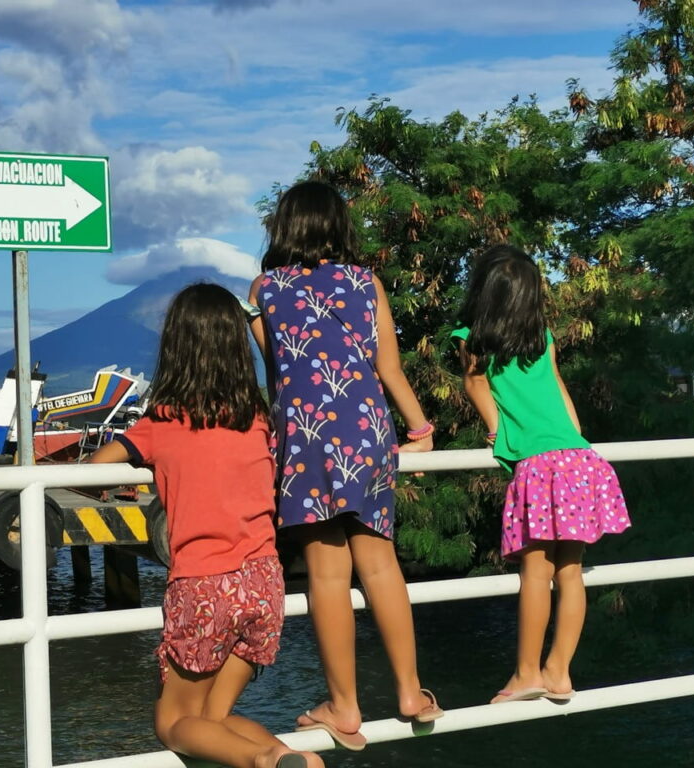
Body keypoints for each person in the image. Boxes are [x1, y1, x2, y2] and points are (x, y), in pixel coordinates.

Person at [88, 283, 323, 768]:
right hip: (264, 583)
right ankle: (287, 756)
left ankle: (267, 761)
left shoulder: (162, 422)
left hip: (204, 587)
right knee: (212, 720)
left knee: (173, 724)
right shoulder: (256, 419)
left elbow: (93, 472)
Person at [249, 180, 441, 751]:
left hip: (307, 435)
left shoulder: (264, 289)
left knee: (328, 576)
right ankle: (410, 691)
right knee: (381, 566)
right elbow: (389, 368)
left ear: (284, 227)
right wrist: (421, 430)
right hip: (368, 431)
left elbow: (278, 371)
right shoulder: (365, 282)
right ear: (338, 225)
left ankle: (343, 705)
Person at [452, 243, 631, 703]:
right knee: (570, 571)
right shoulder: (543, 338)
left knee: (535, 572)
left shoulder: (472, 339)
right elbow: (561, 393)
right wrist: (575, 439)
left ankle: (527, 673)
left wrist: (497, 434)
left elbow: (475, 384)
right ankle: (559, 671)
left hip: (537, 463)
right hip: (578, 459)